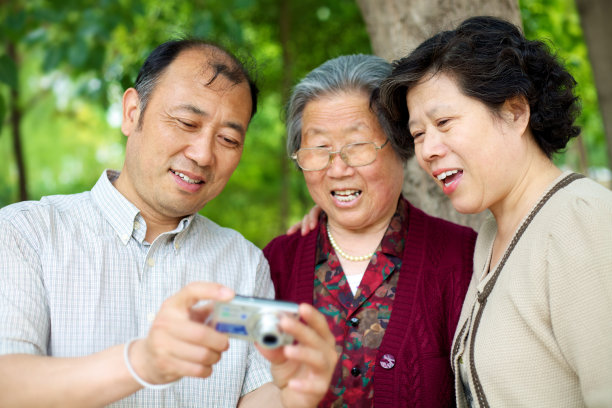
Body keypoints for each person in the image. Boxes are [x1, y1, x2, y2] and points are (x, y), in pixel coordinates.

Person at [0, 39, 337, 407]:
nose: (203, 153)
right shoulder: (26, 233)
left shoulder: (244, 263)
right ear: (132, 112)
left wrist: (293, 396)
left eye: (227, 139)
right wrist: (141, 362)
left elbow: (254, 397)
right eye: (186, 122)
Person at [379, 15, 612, 407]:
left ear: (515, 112)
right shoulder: (490, 235)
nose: (428, 149)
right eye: (419, 134)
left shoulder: (582, 221)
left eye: (444, 122)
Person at [263, 54, 477, 407]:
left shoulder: (461, 258)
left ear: (400, 145)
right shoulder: (276, 263)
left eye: (358, 146)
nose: (338, 169)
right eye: (319, 149)